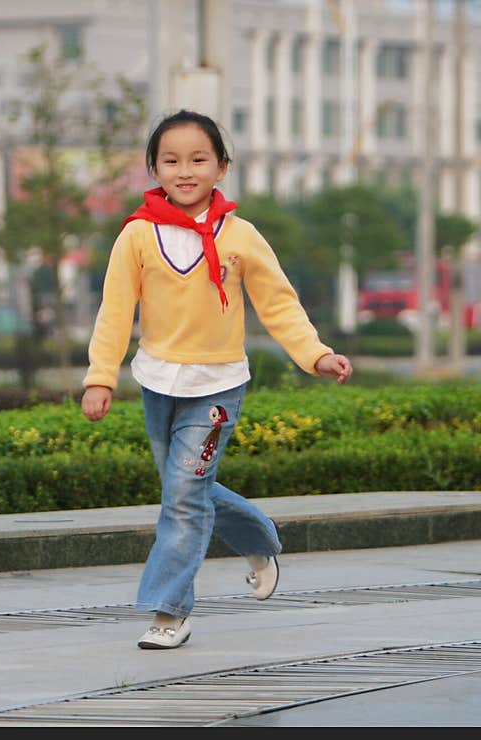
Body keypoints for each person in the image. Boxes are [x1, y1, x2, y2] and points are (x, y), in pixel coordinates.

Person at [80, 109, 352, 650]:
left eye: (199, 159)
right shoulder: (136, 235)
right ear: (154, 169)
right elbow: (115, 311)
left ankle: (168, 611)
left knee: (182, 496)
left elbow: (278, 302)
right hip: (158, 381)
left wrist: (314, 354)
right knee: (184, 488)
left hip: (218, 387)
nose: (185, 170)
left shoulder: (241, 235)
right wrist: (100, 377)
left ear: (221, 167)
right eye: (171, 160)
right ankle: (259, 539)